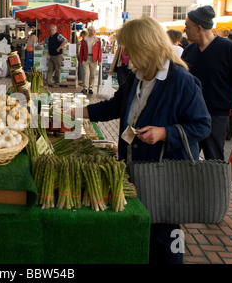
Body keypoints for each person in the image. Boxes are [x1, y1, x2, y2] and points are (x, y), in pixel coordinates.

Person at [71, 16, 211, 264]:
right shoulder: (137, 76)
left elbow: (202, 125)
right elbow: (115, 106)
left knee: (166, 238)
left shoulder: (181, 81)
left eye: (130, 48)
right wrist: (76, 113)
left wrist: (164, 132)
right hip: (135, 168)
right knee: (141, 232)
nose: (125, 54)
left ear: (146, 46)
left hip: (165, 174)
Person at [181, 5, 232, 160]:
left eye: (187, 27)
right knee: (187, 158)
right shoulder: (189, 51)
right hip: (190, 114)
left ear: (199, 28)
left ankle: (216, 185)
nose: (185, 31)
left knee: (214, 159)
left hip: (217, 116)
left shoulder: (228, 48)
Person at [78, 26, 102, 94]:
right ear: (88, 31)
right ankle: (85, 88)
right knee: (86, 73)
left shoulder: (97, 40)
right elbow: (81, 50)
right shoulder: (84, 39)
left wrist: (99, 60)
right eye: (91, 30)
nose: (93, 32)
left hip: (94, 59)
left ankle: (91, 88)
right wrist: (80, 60)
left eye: (94, 30)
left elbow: (99, 50)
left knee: (92, 74)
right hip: (85, 58)